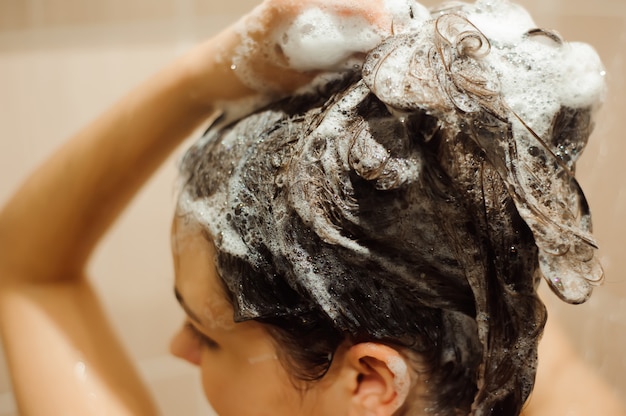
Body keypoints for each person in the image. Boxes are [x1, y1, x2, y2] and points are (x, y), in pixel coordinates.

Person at [0, 0, 624, 415]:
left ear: (369, 381)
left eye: (209, 336)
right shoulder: (556, 391)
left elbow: (27, 270)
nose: (178, 348)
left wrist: (206, 75)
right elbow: (489, 285)